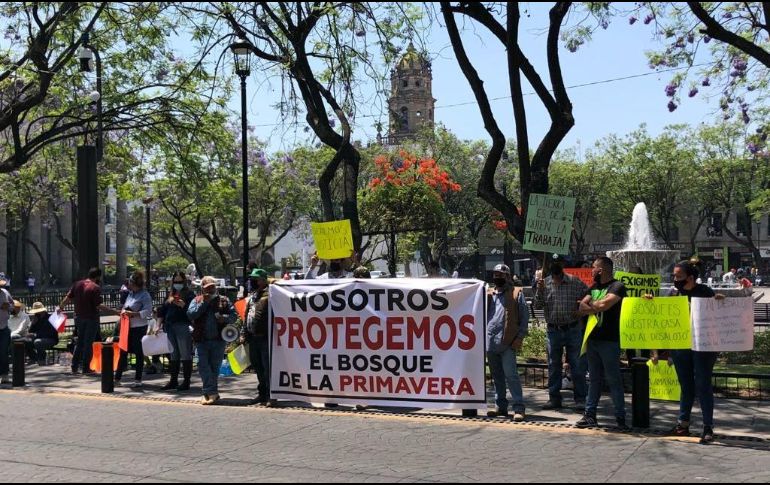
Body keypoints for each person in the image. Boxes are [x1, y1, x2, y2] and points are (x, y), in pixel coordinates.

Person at [664, 261, 724, 444]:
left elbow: (717, 314)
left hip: (703, 346)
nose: (675, 280)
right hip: (681, 345)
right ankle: (683, 424)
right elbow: (664, 317)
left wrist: (721, 302)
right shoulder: (673, 294)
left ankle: (707, 427)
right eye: (674, 276)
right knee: (686, 386)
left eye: (678, 276)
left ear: (690, 278)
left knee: (703, 384)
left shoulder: (705, 292)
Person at [575, 256, 629, 430]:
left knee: (614, 380)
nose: (591, 271)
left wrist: (591, 306)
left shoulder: (617, 287)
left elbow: (605, 304)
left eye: (594, 268)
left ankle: (620, 418)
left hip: (610, 340)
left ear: (602, 270)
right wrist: (593, 306)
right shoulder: (594, 287)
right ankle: (589, 415)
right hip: (593, 340)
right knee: (594, 379)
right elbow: (581, 307)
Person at [534, 256, 589, 411]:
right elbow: (538, 304)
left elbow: (589, 294)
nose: (555, 265)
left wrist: (581, 309)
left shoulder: (575, 281)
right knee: (553, 366)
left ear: (563, 265)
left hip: (573, 329)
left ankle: (580, 399)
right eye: (553, 263)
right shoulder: (544, 284)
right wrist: (539, 290)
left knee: (577, 366)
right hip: (553, 330)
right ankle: (554, 399)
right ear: (550, 265)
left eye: (558, 263)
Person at [486, 264, 529, 421]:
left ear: (508, 277)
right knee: (497, 377)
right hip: (490, 341)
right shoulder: (489, 293)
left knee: (511, 376)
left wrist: (519, 337)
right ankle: (500, 406)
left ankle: (518, 408)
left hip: (508, 342)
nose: (498, 277)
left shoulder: (516, 293)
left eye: (501, 275)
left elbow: (524, 318)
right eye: (496, 274)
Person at [188, 275, 236, 405]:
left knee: (214, 367)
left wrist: (224, 318)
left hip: (218, 340)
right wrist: (204, 303)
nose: (210, 290)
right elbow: (191, 314)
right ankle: (210, 392)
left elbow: (234, 316)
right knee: (203, 365)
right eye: (207, 288)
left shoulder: (224, 300)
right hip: (201, 340)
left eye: (212, 287)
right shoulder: (197, 300)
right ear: (202, 289)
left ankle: (209, 393)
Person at [59, 267, 113, 375]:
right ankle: (85, 368)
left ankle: (74, 366)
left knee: (79, 342)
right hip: (91, 318)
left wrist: (60, 307)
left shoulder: (77, 284)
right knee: (88, 343)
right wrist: (114, 312)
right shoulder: (95, 287)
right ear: (98, 276)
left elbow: (67, 298)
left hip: (78, 317)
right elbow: (98, 305)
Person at [111, 270, 153, 388]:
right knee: (123, 351)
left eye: (130, 283)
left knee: (139, 353)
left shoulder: (145, 295)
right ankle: (117, 378)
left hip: (139, 327)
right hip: (127, 326)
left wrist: (134, 314)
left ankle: (138, 379)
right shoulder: (130, 294)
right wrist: (123, 311)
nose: (129, 285)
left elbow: (148, 311)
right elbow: (125, 306)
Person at [157, 271, 195, 391]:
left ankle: (186, 381)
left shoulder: (189, 294)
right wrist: (157, 325)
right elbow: (161, 311)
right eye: (176, 282)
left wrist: (183, 305)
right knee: (174, 354)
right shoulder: (170, 294)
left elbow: (193, 312)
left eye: (180, 282)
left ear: (184, 282)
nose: (177, 284)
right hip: (170, 326)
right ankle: (173, 380)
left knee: (185, 353)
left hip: (183, 325)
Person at [243, 268, 272, 405]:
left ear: (263, 280)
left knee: (267, 368)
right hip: (252, 337)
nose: (253, 281)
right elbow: (247, 314)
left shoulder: (271, 294)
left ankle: (270, 395)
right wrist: (245, 333)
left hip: (265, 337)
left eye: (256, 279)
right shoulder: (253, 295)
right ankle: (262, 394)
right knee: (258, 367)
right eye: (252, 279)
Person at [0, 273, 13, 384]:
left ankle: (4, 374)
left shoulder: (5, 293)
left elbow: (14, 306)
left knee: (3, 351)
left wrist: (8, 306)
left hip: (3, 327)